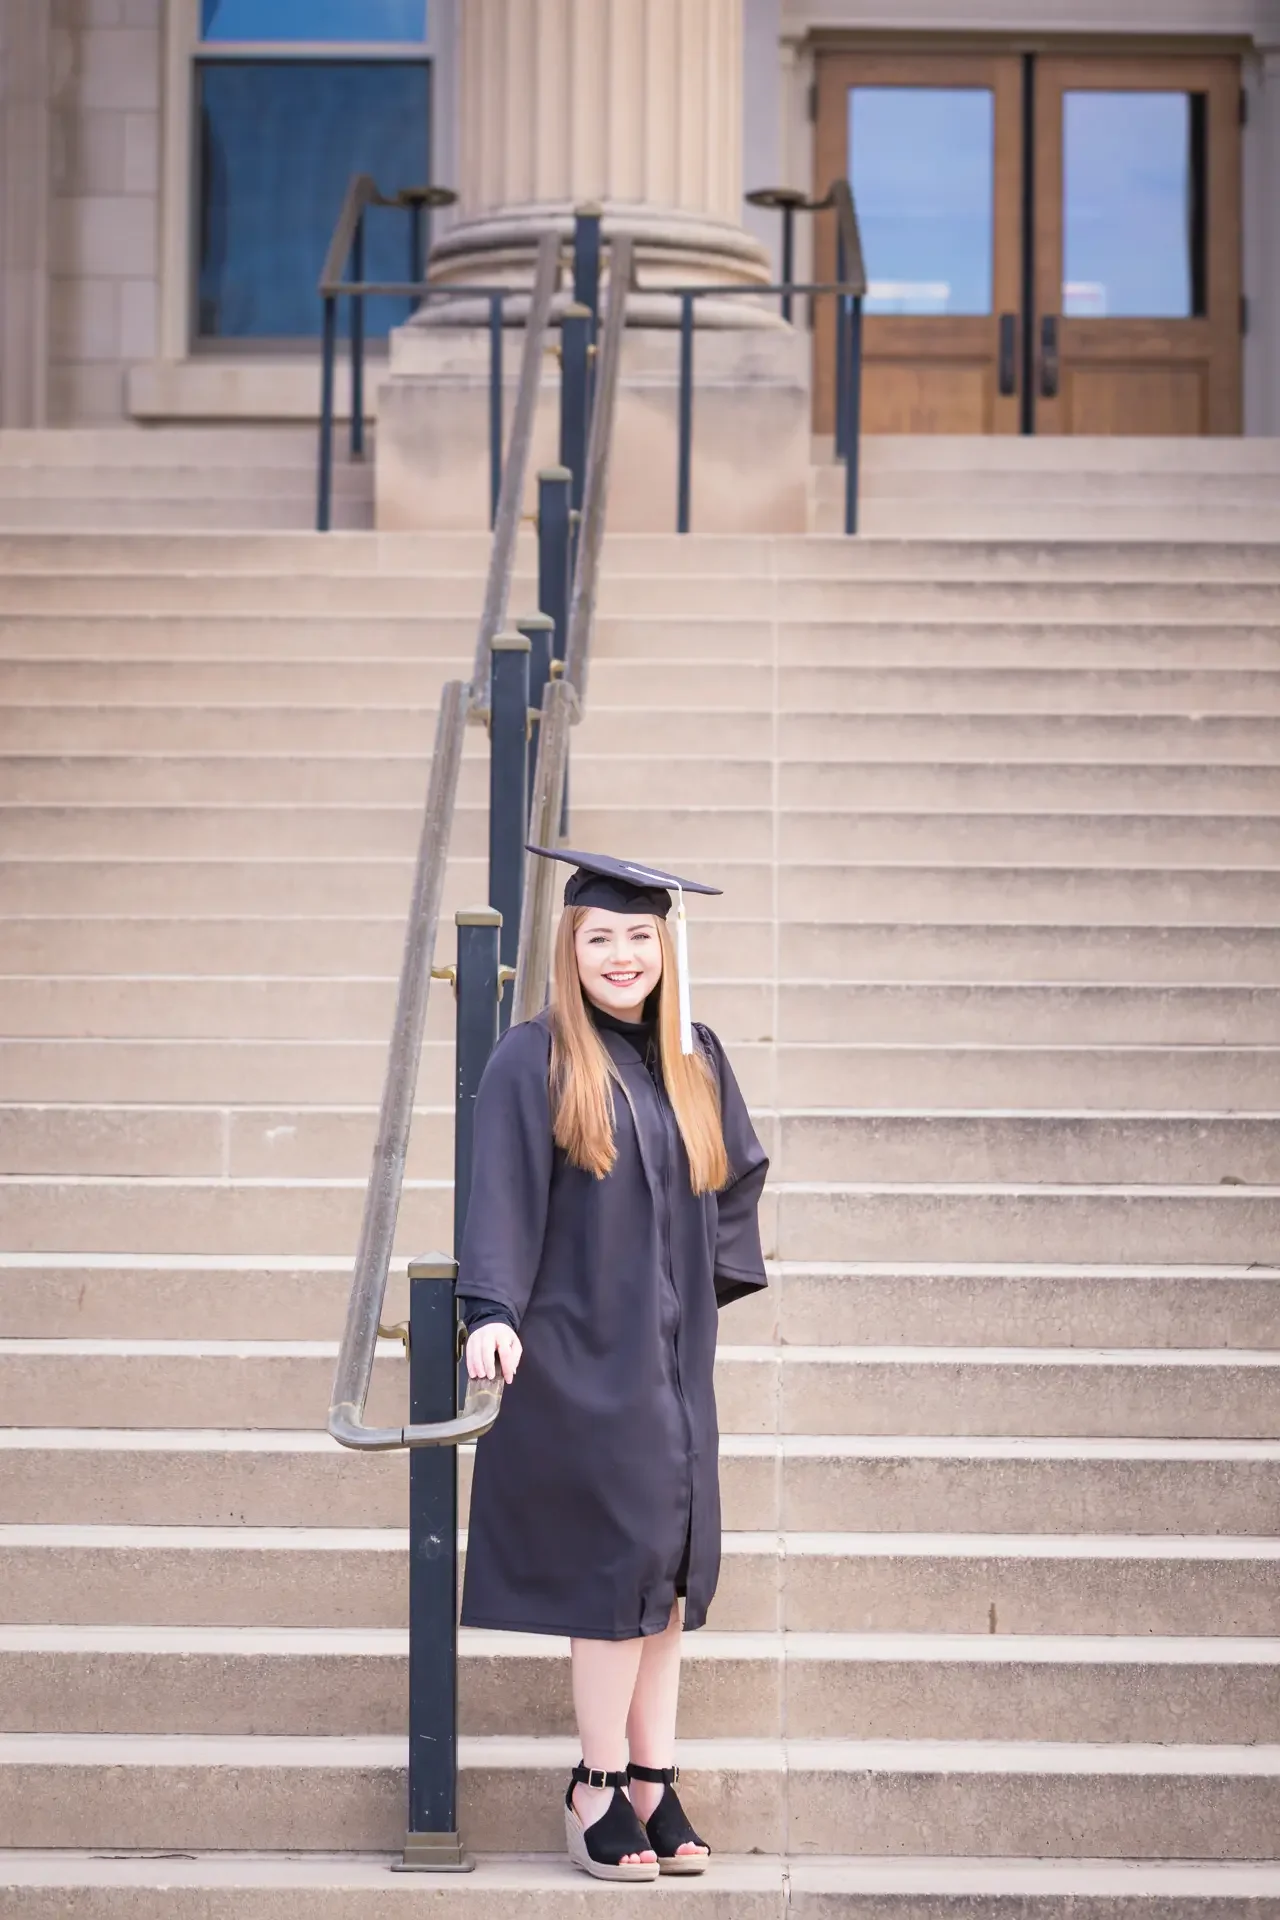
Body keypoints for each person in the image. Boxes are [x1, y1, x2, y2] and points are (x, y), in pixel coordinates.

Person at [455, 846, 770, 1884]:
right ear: (570, 948)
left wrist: (708, 1277)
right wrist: (489, 1312)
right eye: (600, 938)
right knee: (611, 1578)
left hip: (674, 1360)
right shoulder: (534, 1056)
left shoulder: (695, 1053)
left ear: (665, 947)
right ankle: (594, 1784)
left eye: (640, 936)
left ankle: (651, 1776)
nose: (621, 955)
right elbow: (496, 1190)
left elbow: (734, 1173)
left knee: (669, 1576)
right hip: (581, 1359)